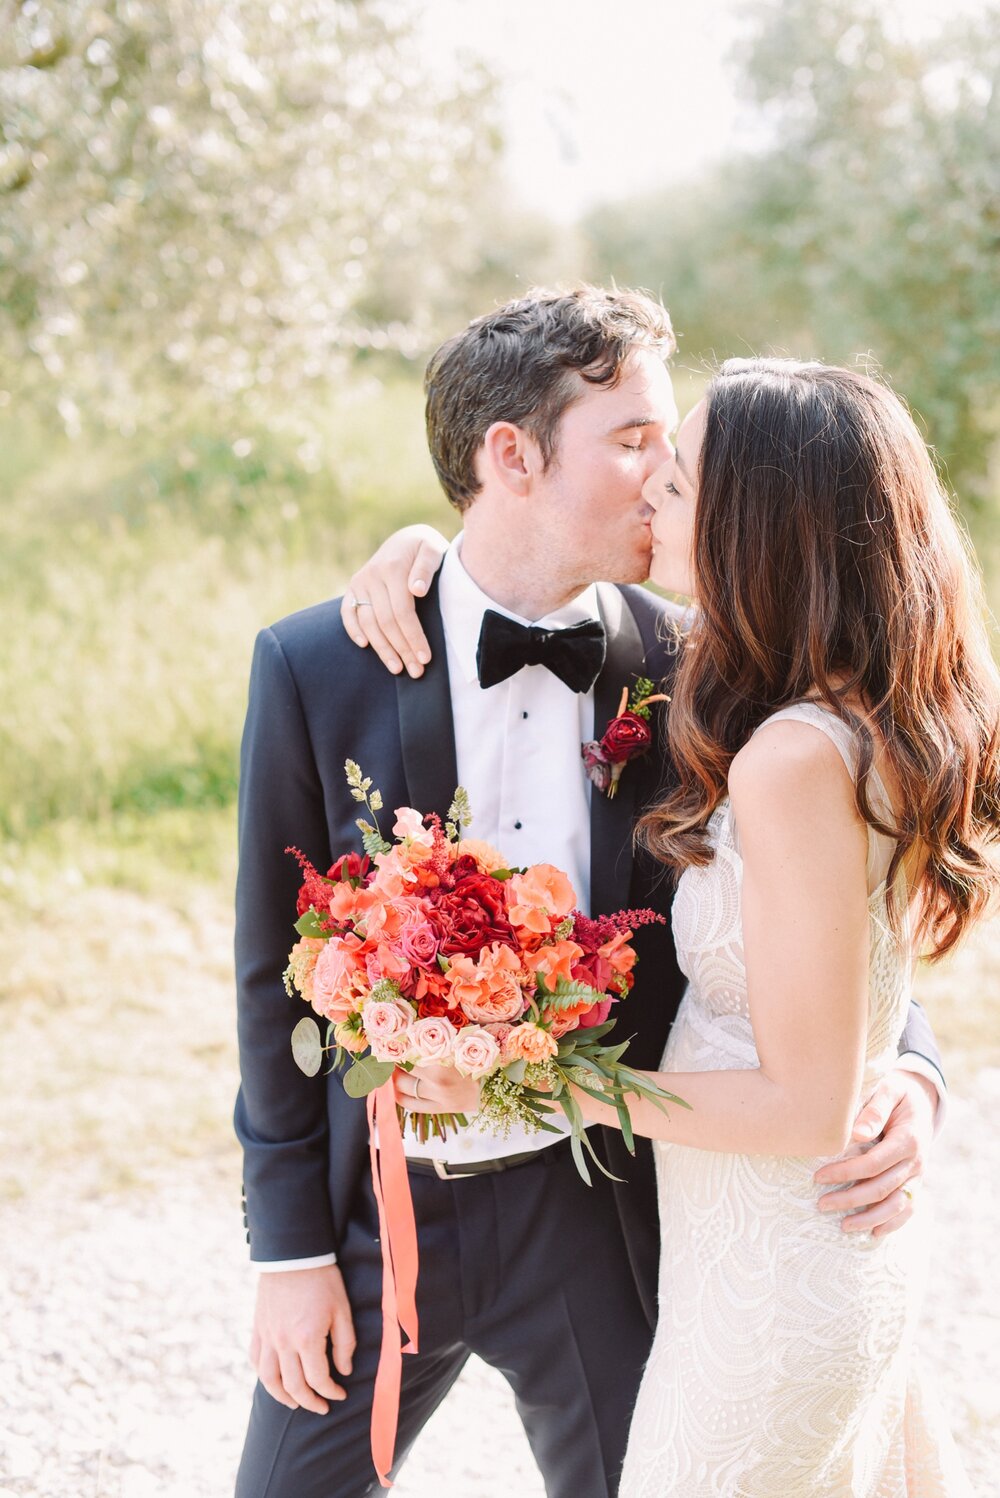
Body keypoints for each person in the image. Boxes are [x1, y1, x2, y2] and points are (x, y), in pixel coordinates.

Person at [234, 290, 945, 1498]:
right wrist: (287, 1250)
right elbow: (269, 978)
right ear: (508, 456)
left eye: (669, 443)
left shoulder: (701, 660)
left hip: (600, 1211)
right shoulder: (324, 662)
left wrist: (910, 1071)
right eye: (631, 441)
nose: (664, 472)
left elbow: (829, 902)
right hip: (385, 1214)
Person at [386, 355, 1000, 1493]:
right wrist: (421, 555)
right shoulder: (815, 706)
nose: (650, 491)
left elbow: (804, 1101)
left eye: (676, 478)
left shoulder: (790, 757)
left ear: (754, 525)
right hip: (750, 1255)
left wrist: (537, 1085)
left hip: (778, 1277)